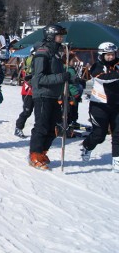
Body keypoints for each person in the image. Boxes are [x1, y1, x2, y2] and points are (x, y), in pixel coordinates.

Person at [28, 24, 72, 170]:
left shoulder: (56, 53)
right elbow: (38, 78)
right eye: (59, 35)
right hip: (42, 94)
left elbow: (59, 75)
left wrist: (69, 79)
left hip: (53, 95)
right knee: (42, 125)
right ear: (51, 36)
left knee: (54, 127)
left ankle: (42, 151)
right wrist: (60, 77)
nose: (62, 38)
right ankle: (34, 154)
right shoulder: (43, 52)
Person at [80, 42, 119, 171]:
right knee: (99, 134)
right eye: (108, 55)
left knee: (117, 133)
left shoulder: (117, 64)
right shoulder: (97, 66)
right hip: (99, 105)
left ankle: (117, 161)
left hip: (116, 104)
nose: (111, 57)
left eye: (112, 54)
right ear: (102, 55)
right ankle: (87, 146)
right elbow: (103, 78)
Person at [14, 50, 35, 138]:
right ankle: (18, 127)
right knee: (27, 111)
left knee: (35, 111)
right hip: (28, 91)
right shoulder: (30, 61)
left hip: (34, 91)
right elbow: (25, 75)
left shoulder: (30, 60)